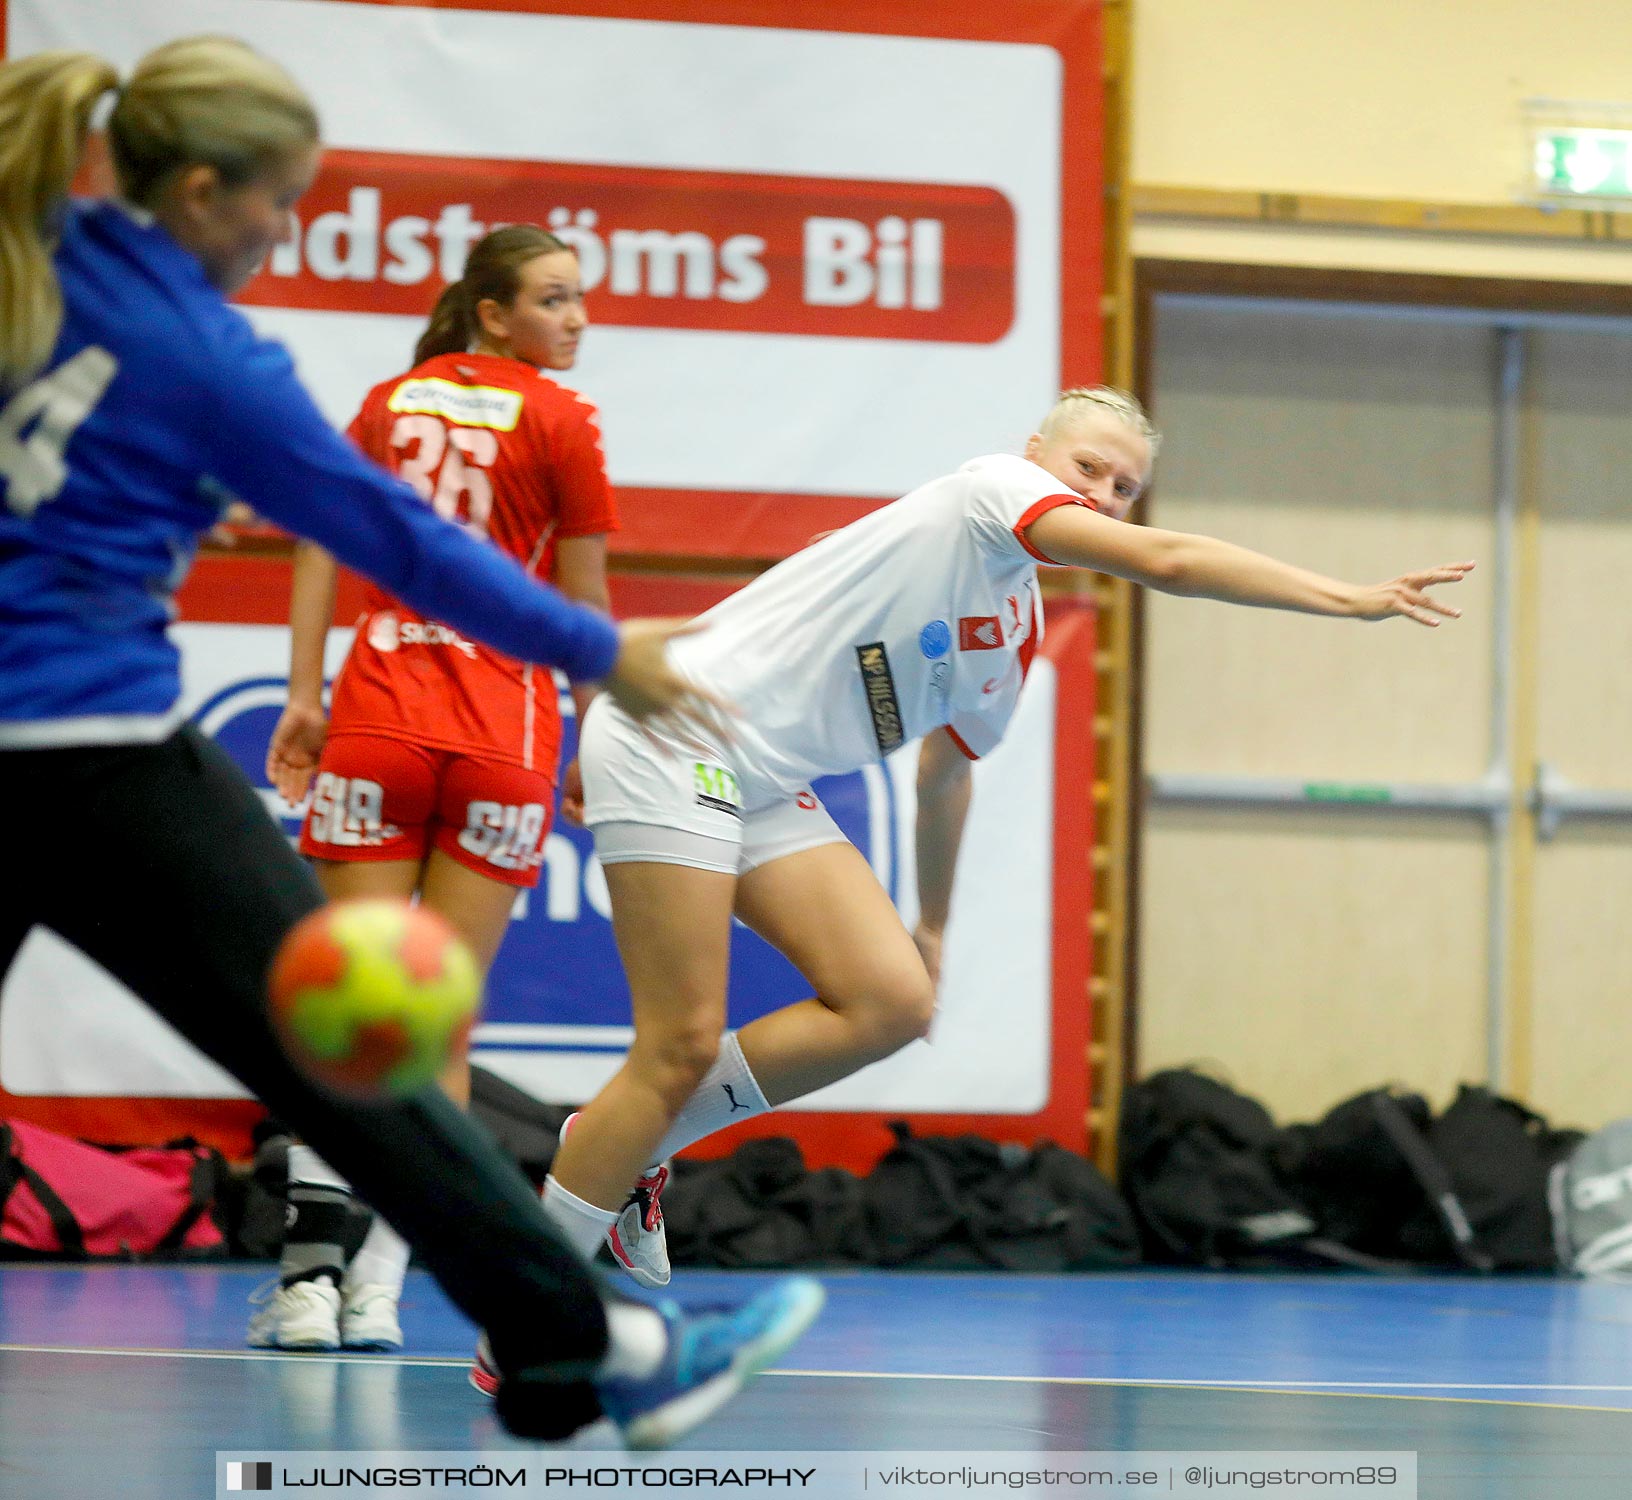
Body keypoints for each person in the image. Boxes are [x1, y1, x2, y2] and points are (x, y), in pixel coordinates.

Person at [0, 38, 821, 1447]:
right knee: (351, 1054)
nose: (283, 229)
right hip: (91, 757)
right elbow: (393, 538)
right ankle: (601, 1343)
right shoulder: (201, 353)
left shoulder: (27, 254)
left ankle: (576, 1339)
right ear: (199, 190)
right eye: (276, 202)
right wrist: (602, 649)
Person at [539, 384, 1475, 1287]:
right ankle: (531, 1304)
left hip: (763, 780)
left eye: (1123, 489)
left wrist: (934, 928)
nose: (1102, 496)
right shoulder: (994, 490)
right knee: (681, 1045)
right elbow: (1173, 564)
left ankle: (629, 1143)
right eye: (1090, 469)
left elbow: (946, 775)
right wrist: (1350, 599)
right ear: (1038, 455)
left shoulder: (1015, 626)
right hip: (675, 734)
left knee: (892, 1001)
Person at [249, 224, 620, 1353]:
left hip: (382, 710)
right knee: (439, 1019)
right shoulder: (568, 423)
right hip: (504, 729)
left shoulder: (391, 397)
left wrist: (305, 690)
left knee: (343, 1005)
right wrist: (589, 745)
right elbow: (585, 607)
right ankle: (384, 1290)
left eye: (579, 300)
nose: (578, 320)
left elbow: (318, 542)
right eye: (555, 301)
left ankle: (311, 1278)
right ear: (494, 314)